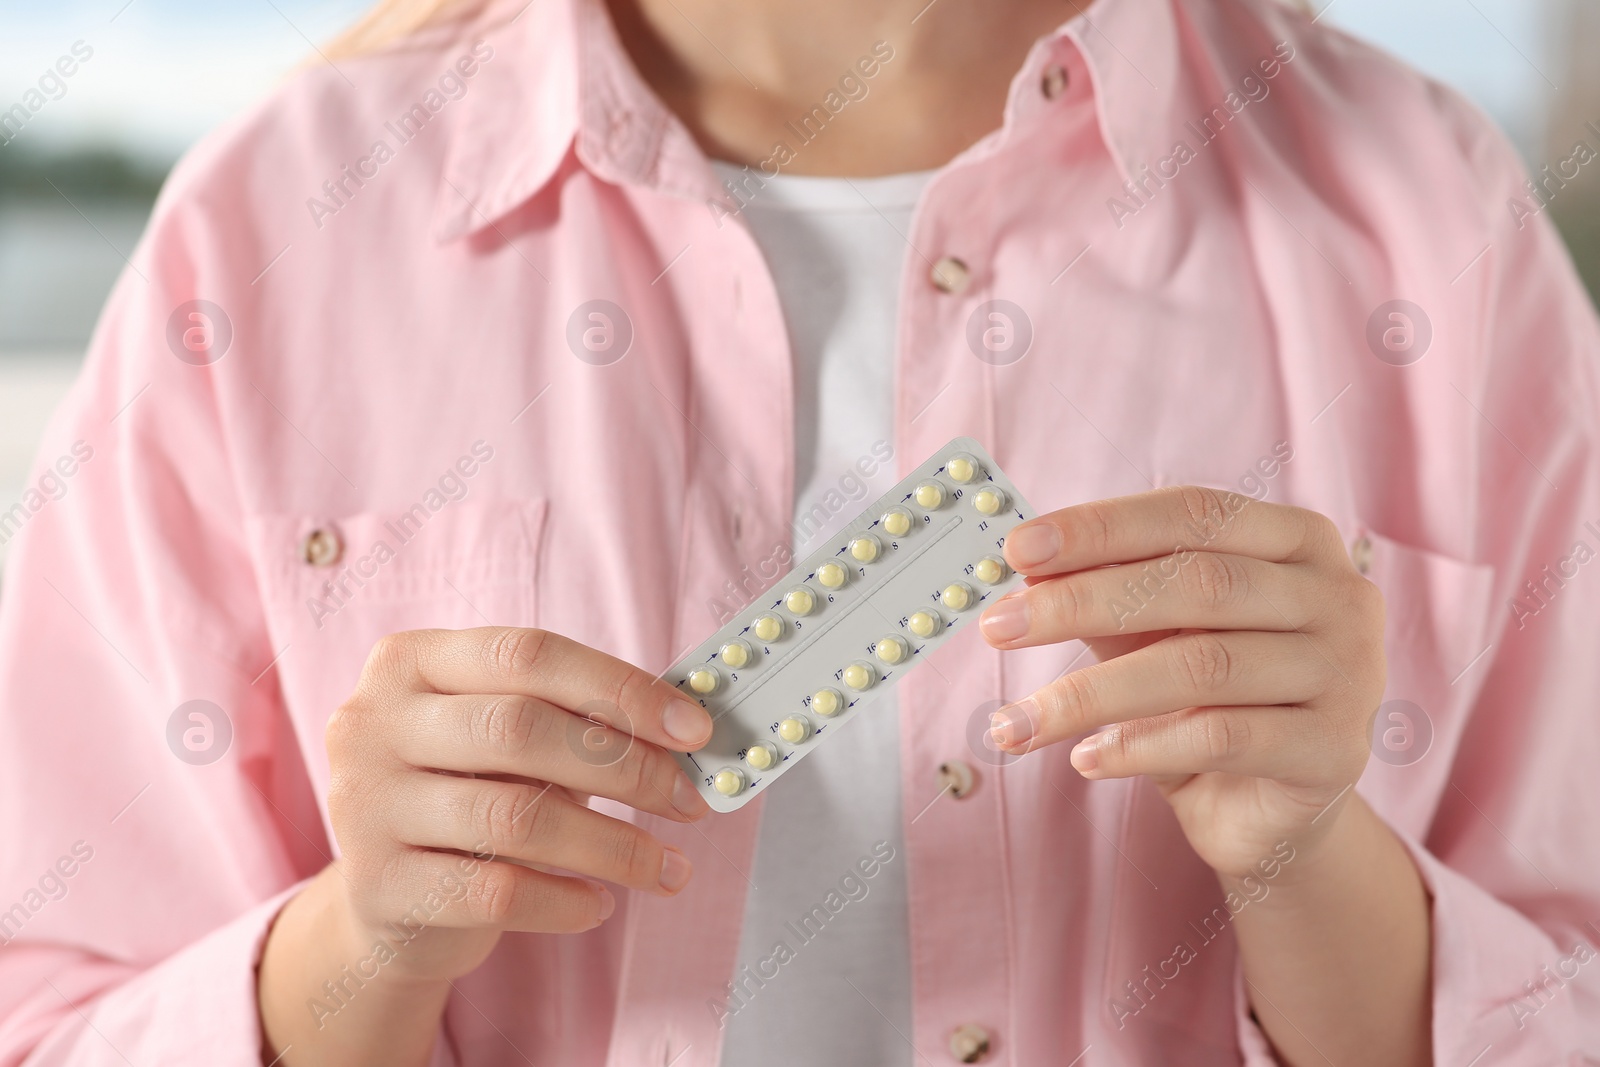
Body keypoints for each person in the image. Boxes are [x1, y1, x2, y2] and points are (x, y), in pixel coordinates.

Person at [2, 0, 1598, 1063]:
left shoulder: (1426, 217)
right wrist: (364, 942)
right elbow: (51, 1011)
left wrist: (1318, 859)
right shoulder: (277, 224)